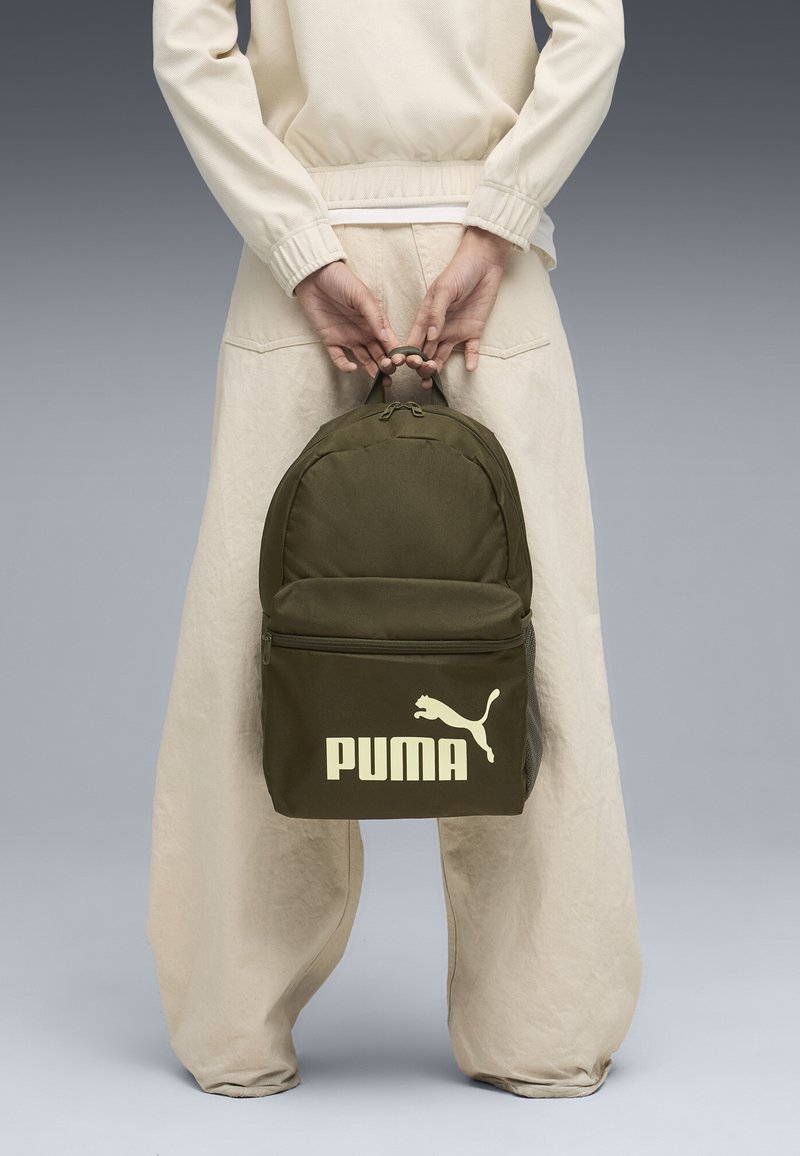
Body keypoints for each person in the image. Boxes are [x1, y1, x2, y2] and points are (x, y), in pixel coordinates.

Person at [146, 0, 642, 1099]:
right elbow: (592, 32)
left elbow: (187, 41)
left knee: (253, 632)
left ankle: (233, 1024)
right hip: (485, 257)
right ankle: (545, 1024)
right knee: (534, 643)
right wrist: (498, 220)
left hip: (301, 257)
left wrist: (297, 244)